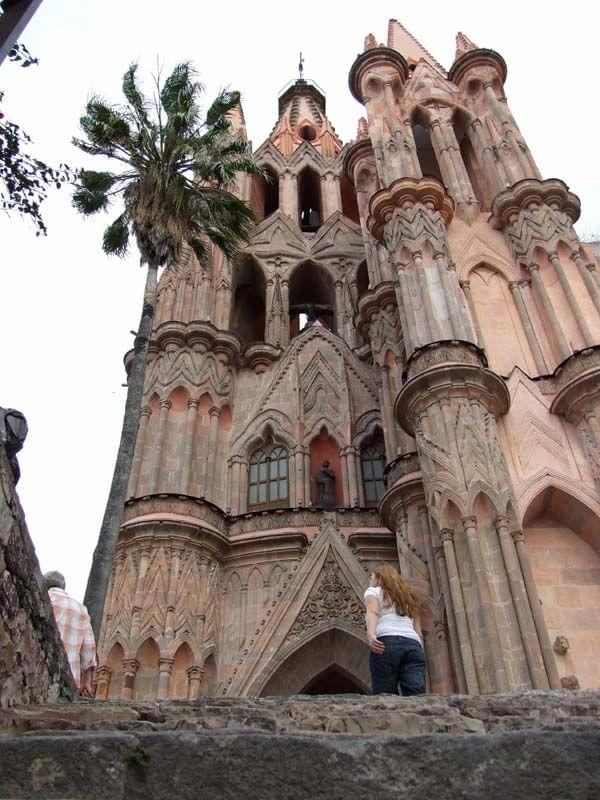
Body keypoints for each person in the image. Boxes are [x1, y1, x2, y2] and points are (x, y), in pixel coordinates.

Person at [363, 564, 426, 695]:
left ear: (379, 578)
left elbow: (372, 612)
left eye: (372, 576)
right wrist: (418, 649)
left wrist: (371, 634)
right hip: (412, 645)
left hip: (387, 642)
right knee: (416, 692)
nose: (370, 579)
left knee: (385, 691)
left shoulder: (373, 591)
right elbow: (418, 632)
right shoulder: (410, 597)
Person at [44, 571, 97, 698]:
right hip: (68, 676)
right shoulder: (80, 609)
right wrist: (86, 681)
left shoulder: (42, 599)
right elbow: (89, 647)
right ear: (64, 585)